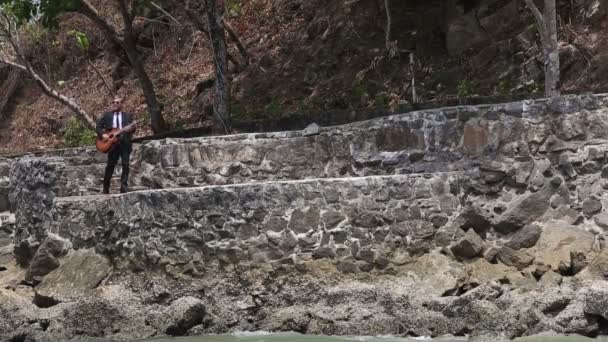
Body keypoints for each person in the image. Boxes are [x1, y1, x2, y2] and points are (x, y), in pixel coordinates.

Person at [96, 97, 136, 194]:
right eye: (113, 102)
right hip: (112, 144)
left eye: (117, 102)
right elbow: (98, 127)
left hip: (125, 143)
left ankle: (124, 186)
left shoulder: (127, 116)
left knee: (125, 164)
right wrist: (103, 134)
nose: (114, 104)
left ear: (121, 104)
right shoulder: (107, 115)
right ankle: (106, 187)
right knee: (110, 165)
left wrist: (130, 129)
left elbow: (133, 127)